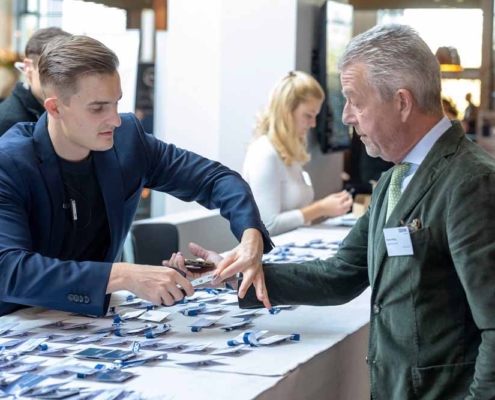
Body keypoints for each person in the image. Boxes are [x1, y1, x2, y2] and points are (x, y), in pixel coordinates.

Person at [182, 24, 495, 399]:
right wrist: (239, 274)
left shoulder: (472, 182)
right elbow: (340, 274)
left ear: (402, 102)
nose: (346, 116)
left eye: (355, 101)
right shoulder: (396, 178)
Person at [0, 35, 273, 317]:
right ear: (55, 108)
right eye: (98, 108)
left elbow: (215, 179)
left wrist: (250, 237)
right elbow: (8, 269)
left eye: (116, 103)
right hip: (15, 323)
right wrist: (124, 275)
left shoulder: (127, 139)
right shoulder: (9, 162)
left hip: (97, 321)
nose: (115, 119)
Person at [242, 71, 353, 236]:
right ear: (286, 111)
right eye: (308, 115)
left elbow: (294, 213)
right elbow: (268, 226)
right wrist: (321, 208)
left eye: (315, 116)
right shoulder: (264, 153)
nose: (313, 124)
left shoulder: (288, 152)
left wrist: (327, 207)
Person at [0, 27, 72, 136]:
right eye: (53, 68)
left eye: (70, 71)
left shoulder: (59, 110)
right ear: (28, 68)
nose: (65, 78)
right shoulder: (8, 123)